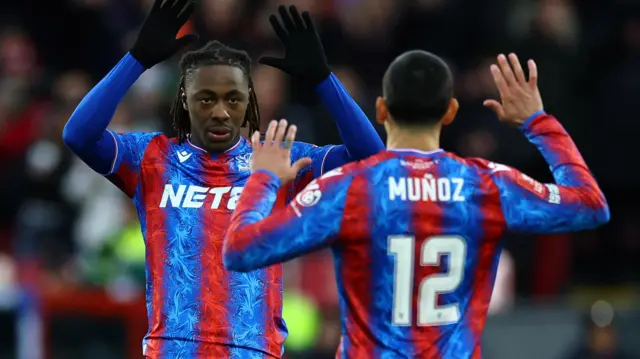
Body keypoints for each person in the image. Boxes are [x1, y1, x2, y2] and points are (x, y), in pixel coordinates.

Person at [222, 51, 610, 358]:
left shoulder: (349, 188)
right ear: (451, 111)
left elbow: (240, 250)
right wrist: (536, 121)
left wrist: (263, 178)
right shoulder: (487, 185)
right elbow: (590, 204)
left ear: (381, 110)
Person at [62, 1, 384, 358]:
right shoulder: (150, 158)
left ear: (249, 103)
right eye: (205, 99)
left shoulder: (277, 158)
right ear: (184, 101)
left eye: (233, 99)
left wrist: (324, 81)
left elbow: (371, 157)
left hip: (252, 350)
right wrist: (136, 59)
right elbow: (79, 135)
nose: (219, 112)